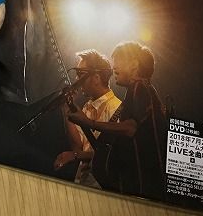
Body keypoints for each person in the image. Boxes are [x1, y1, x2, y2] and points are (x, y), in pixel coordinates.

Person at [68, 41, 166, 199]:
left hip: (144, 189)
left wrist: (89, 123)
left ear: (134, 65)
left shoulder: (140, 87)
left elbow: (130, 128)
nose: (114, 67)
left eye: (119, 61)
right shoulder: (139, 90)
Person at [53, 50, 121, 188]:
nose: (77, 80)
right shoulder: (87, 106)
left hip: (103, 186)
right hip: (83, 182)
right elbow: (78, 146)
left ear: (96, 77)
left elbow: (112, 154)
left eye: (80, 74)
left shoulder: (117, 109)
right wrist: (66, 108)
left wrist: (75, 155)